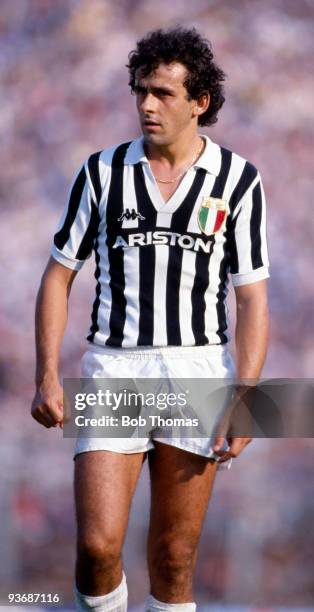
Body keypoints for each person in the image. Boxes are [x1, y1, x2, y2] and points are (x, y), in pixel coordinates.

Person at [31, 27, 269, 612]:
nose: (146, 104)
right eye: (141, 90)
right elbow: (58, 275)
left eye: (162, 93)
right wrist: (47, 373)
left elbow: (252, 298)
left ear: (200, 102)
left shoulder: (239, 180)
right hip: (116, 367)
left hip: (197, 371)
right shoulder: (101, 172)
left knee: (174, 557)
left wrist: (249, 396)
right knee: (96, 546)